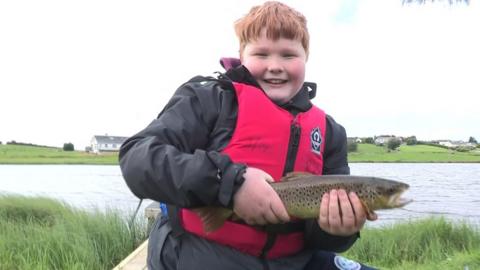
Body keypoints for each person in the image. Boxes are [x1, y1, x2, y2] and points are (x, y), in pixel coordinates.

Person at [119, 2, 377, 269]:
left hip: (291, 262)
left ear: (306, 58)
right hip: (198, 255)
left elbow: (320, 240)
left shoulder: (330, 132)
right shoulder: (210, 99)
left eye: (288, 55)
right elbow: (137, 158)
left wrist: (339, 230)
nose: (275, 66)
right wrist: (231, 183)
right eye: (261, 54)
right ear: (241, 56)